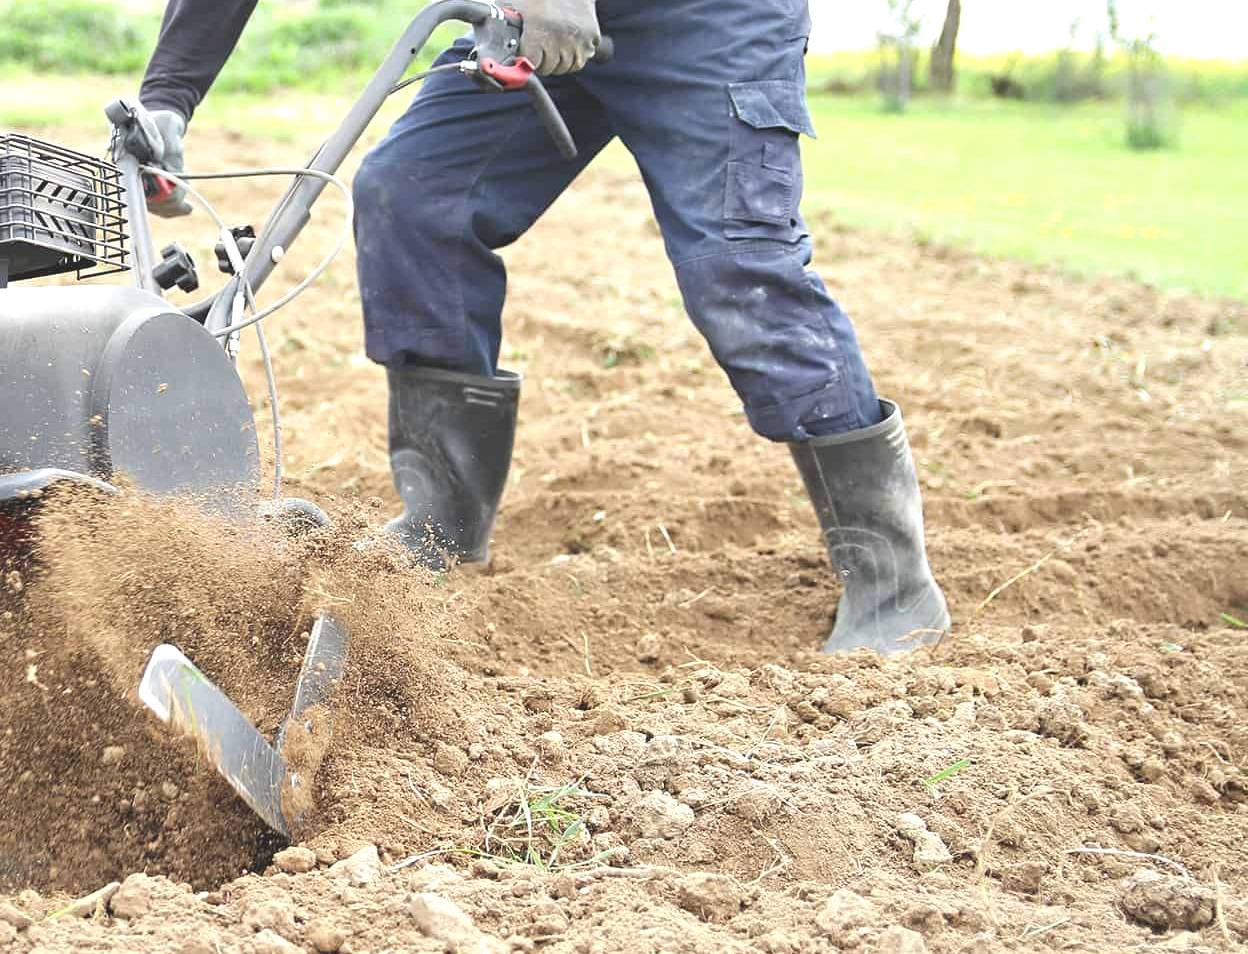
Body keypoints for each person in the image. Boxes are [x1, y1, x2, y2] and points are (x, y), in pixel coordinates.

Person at [131, 0, 950, 655]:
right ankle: (441, 526)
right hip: (536, 18)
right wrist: (169, 97)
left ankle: (892, 581)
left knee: (737, 266)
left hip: (711, 21)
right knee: (414, 194)